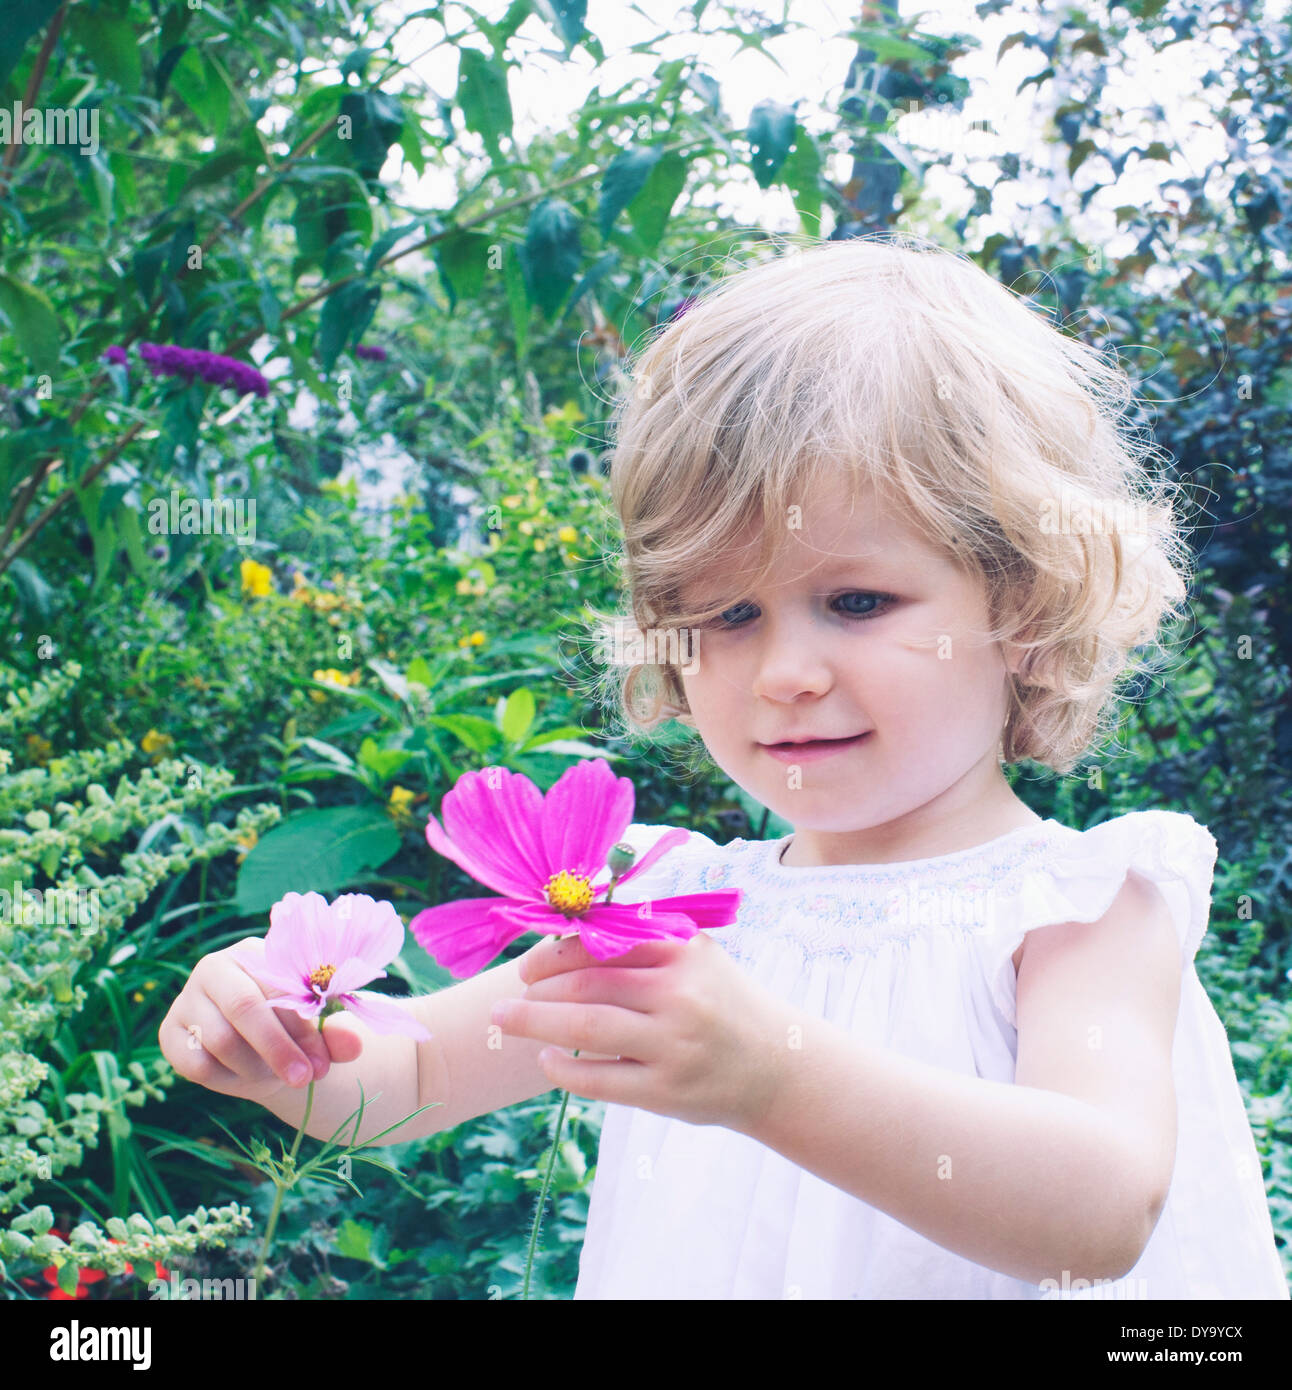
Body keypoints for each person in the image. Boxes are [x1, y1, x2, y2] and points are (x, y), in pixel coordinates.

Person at [160, 233, 1289, 1299]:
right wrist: (282, 1047)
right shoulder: (660, 910)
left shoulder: (1074, 907)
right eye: (726, 614)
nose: (782, 672)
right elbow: (408, 1082)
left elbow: (1099, 1208)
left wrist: (774, 1078)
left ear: (1024, 607)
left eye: (856, 600)